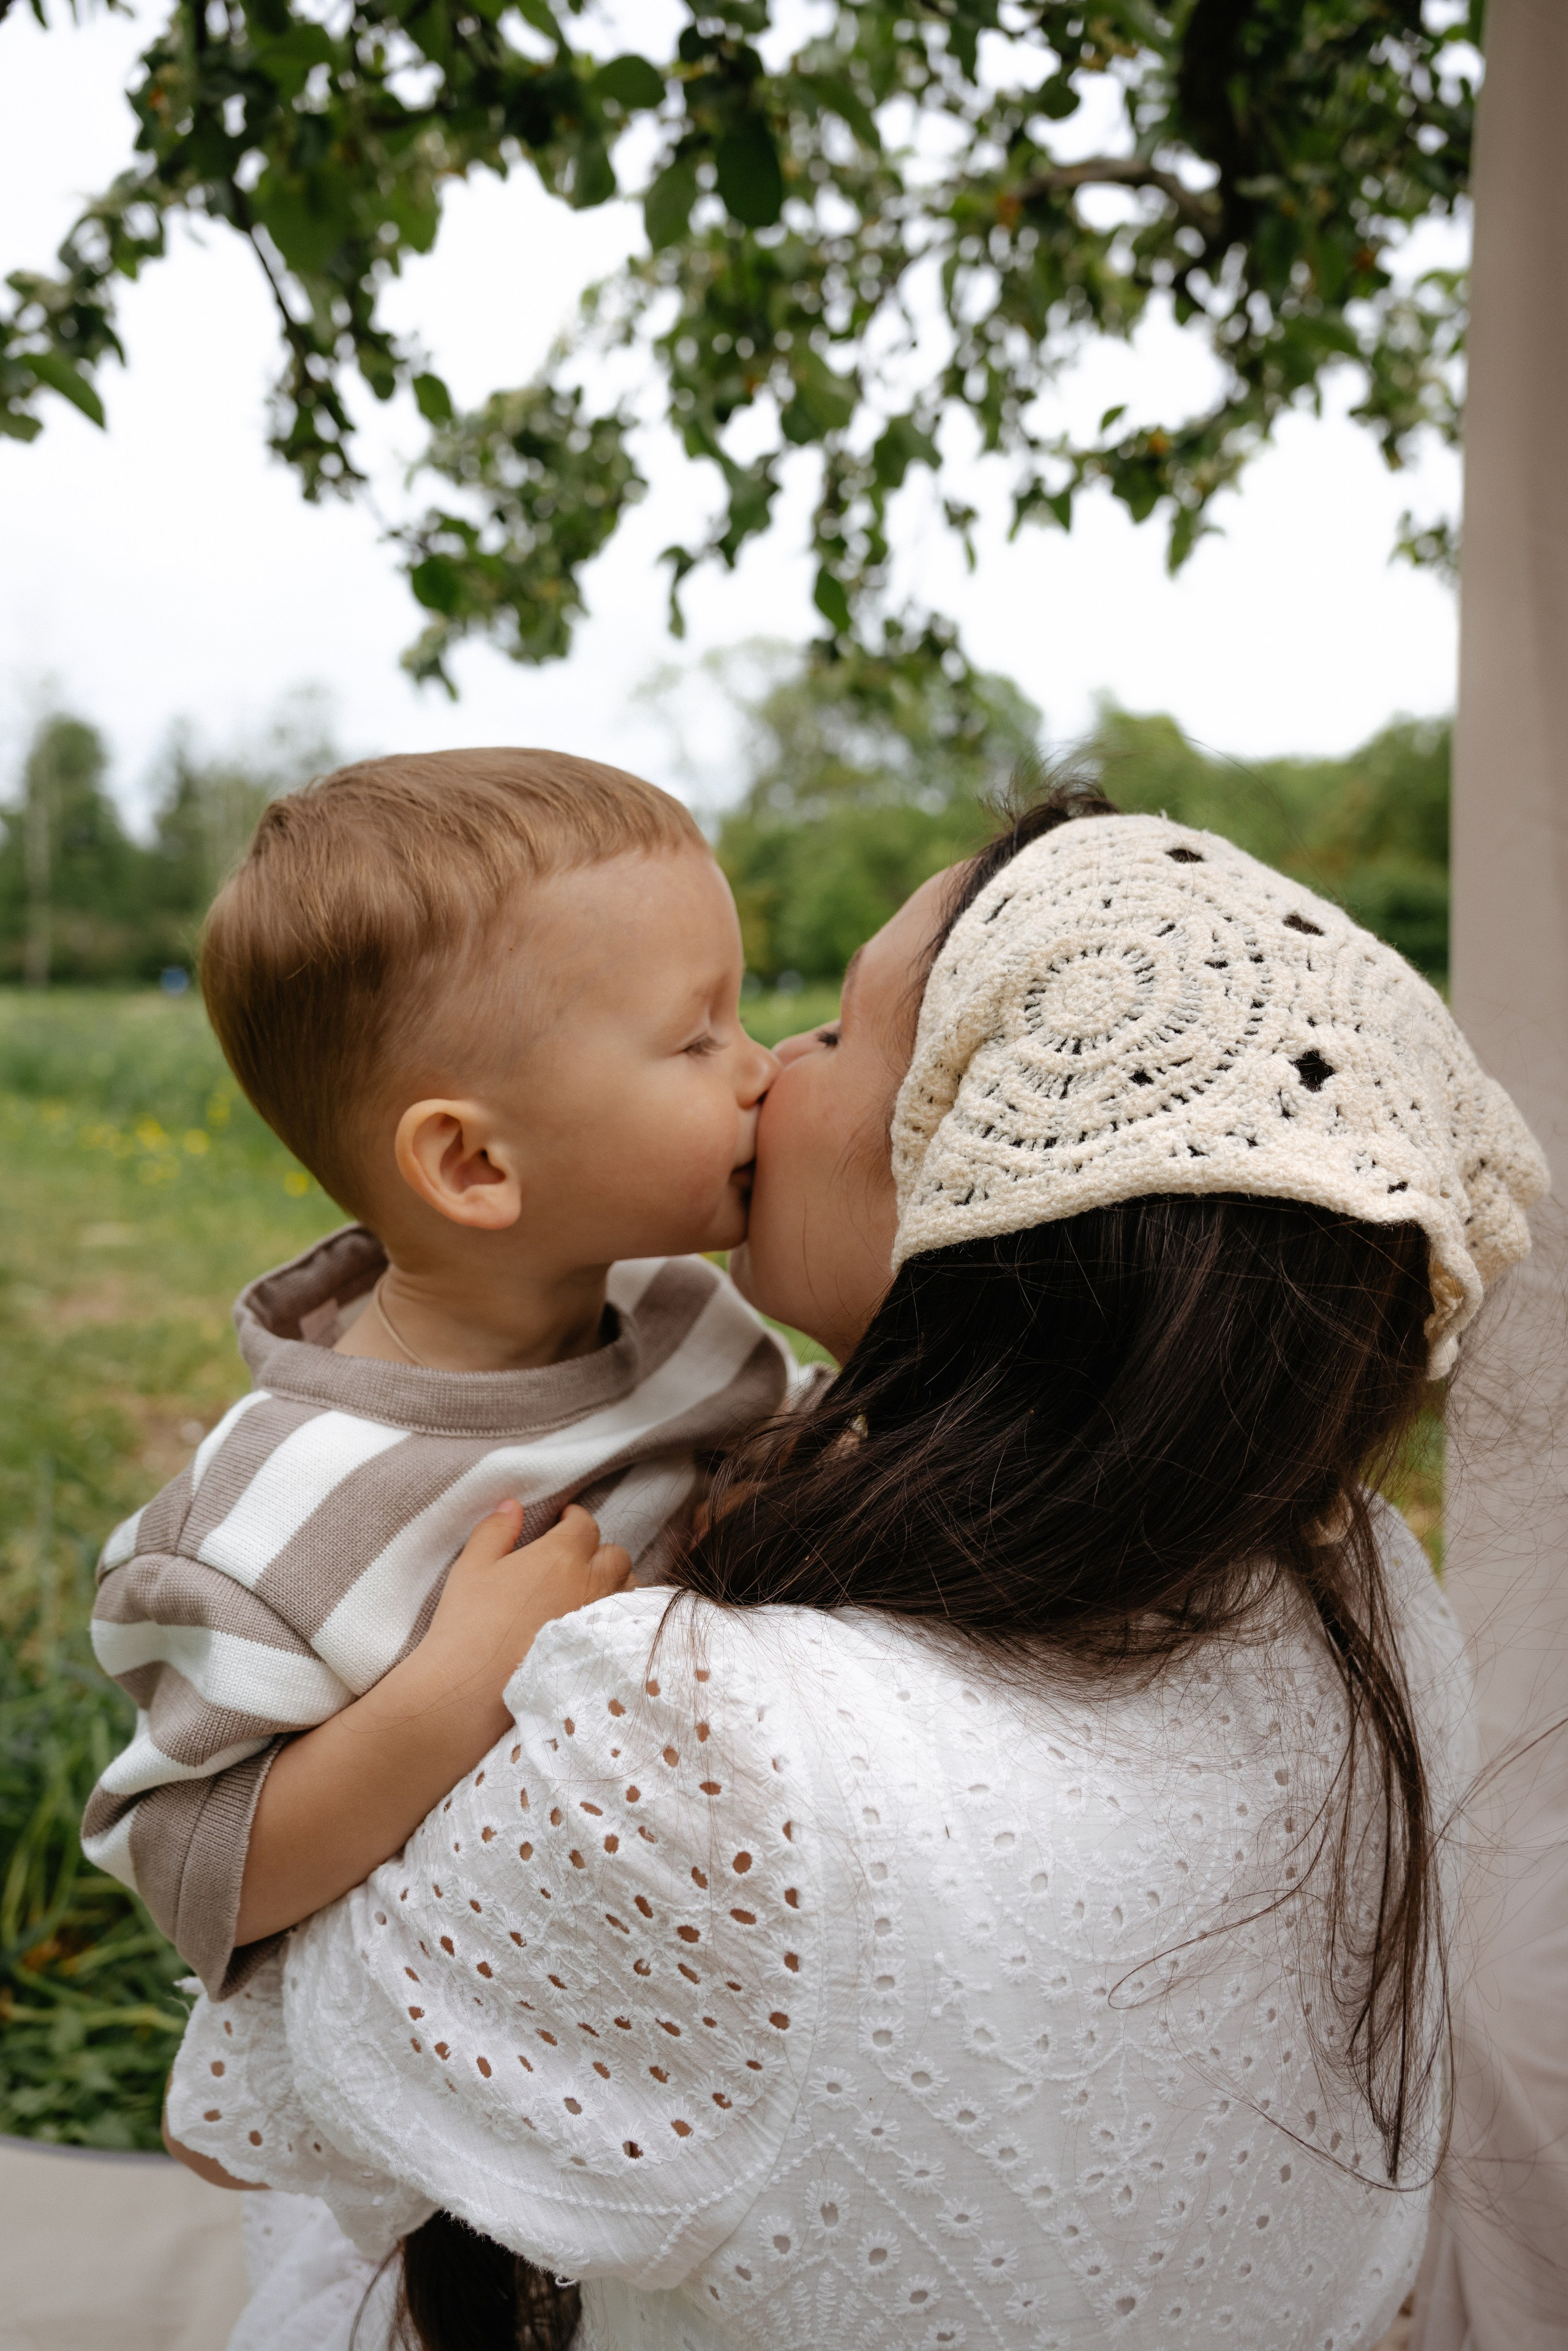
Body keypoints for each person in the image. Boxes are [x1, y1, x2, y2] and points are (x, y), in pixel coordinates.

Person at [168, 789, 1547, 2351]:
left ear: (983, 1182)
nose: (768, 1065)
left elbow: (246, 2106)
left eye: (836, 1029)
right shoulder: (1352, 1580)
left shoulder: (698, 1742)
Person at [83, 749, 804, 2003]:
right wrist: (458, 1687)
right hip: (460, 2093)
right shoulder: (263, 1518)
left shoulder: (691, 1320)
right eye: (697, 1035)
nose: (764, 1067)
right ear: (472, 1162)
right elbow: (194, 1868)